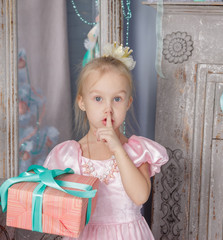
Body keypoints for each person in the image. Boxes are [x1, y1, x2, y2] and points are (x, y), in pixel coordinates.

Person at [43, 43, 169, 240]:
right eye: (98, 99)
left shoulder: (138, 151)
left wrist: (118, 149)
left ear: (128, 103)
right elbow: (56, 209)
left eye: (117, 99)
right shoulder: (68, 155)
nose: (108, 108)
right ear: (82, 102)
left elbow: (140, 196)